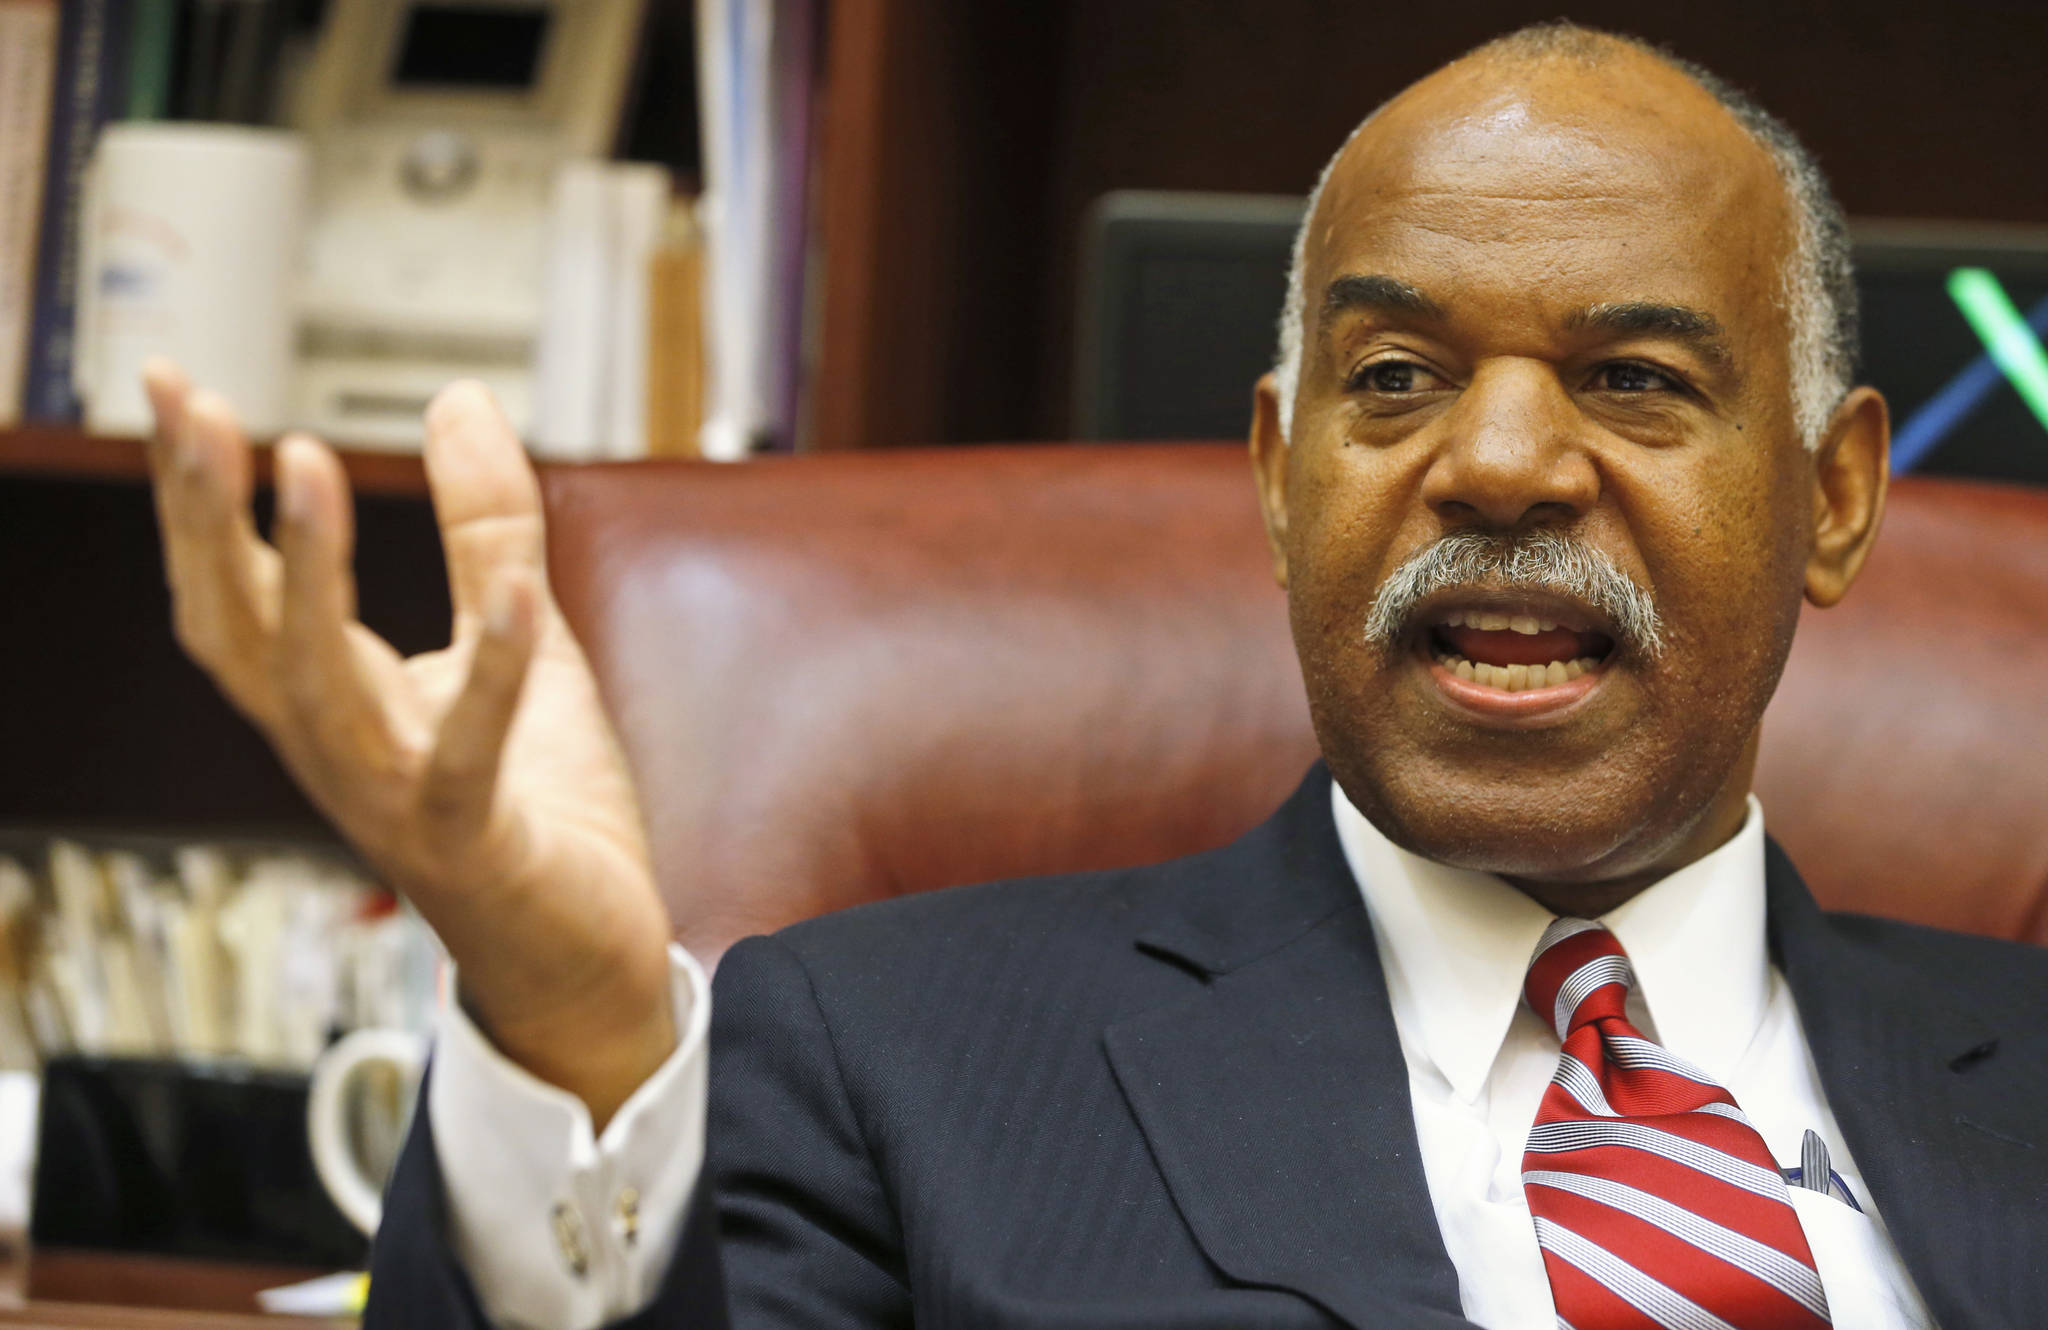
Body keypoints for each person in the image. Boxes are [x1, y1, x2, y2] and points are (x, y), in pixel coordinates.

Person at [138, 21, 2045, 1330]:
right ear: (1279, 484)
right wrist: (563, 1021)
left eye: (1635, 379)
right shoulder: (883, 1060)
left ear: (1834, 497)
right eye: (1394, 380)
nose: (1501, 463)